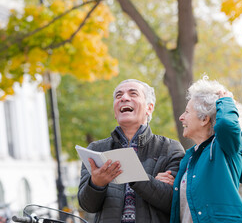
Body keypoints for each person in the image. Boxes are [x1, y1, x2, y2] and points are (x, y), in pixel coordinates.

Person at [78, 79, 185, 223]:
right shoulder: (96, 150)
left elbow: (174, 202)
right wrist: (96, 184)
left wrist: (134, 175)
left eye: (133, 94)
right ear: (115, 112)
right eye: (118, 96)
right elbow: (87, 206)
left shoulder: (170, 148)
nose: (124, 98)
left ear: (149, 108)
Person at [168, 76, 242, 222]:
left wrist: (226, 102)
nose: (181, 117)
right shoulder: (189, 158)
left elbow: (226, 125)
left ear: (204, 119)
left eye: (187, 112)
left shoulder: (226, 147)